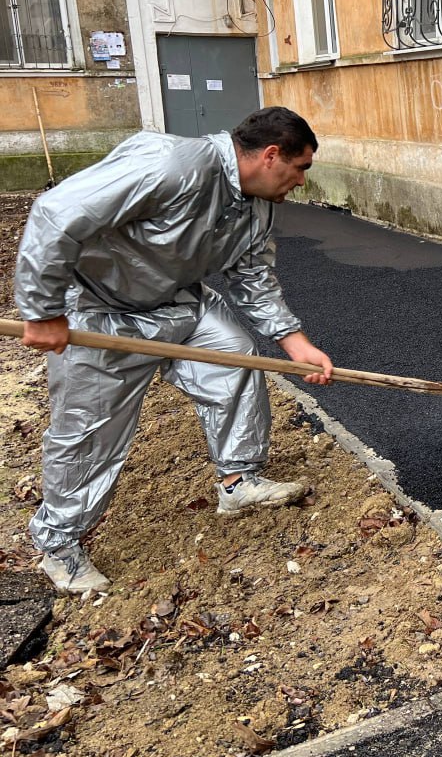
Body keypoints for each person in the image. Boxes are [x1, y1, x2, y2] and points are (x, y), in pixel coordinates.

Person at [14, 106, 334, 595]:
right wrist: (41, 310)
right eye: (301, 168)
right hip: (103, 311)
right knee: (88, 433)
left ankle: (237, 483)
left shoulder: (258, 205)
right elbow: (57, 213)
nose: (302, 182)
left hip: (180, 305)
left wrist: (295, 343)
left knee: (236, 362)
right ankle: (59, 546)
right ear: (271, 156)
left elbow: (252, 276)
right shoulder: (170, 166)